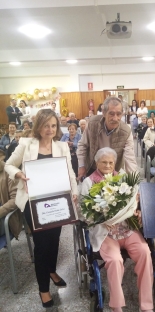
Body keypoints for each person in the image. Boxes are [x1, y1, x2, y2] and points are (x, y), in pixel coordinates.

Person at [5, 109, 78, 308]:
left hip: (57, 200)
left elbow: (70, 173)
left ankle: (51, 270)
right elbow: (8, 165)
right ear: (38, 126)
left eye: (53, 125)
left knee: (54, 240)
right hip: (33, 200)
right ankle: (43, 288)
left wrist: (75, 192)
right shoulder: (26, 144)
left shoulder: (62, 146)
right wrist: (19, 174)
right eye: (46, 125)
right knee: (42, 243)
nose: (50, 129)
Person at [80, 147, 153, 312]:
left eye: (110, 162)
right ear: (97, 163)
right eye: (104, 162)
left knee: (145, 253)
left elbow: (135, 202)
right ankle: (116, 305)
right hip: (106, 234)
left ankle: (147, 305)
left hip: (127, 229)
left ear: (115, 163)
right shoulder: (89, 182)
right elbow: (83, 213)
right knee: (115, 260)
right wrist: (101, 220)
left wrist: (138, 211)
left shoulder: (124, 179)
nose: (107, 165)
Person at [77, 96, 137, 179]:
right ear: (104, 113)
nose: (115, 118)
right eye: (111, 114)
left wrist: (134, 182)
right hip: (92, 168)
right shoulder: (92, 124)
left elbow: (130, 159)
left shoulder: (126, 131)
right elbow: (82, 145)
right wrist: (81, 165)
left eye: (119, 114)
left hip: (113, 172)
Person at [0, 149, 22, 239]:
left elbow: (16, 199)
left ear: (1, 156)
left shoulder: (9, 172)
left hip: (4, 215)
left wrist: (1, 211)